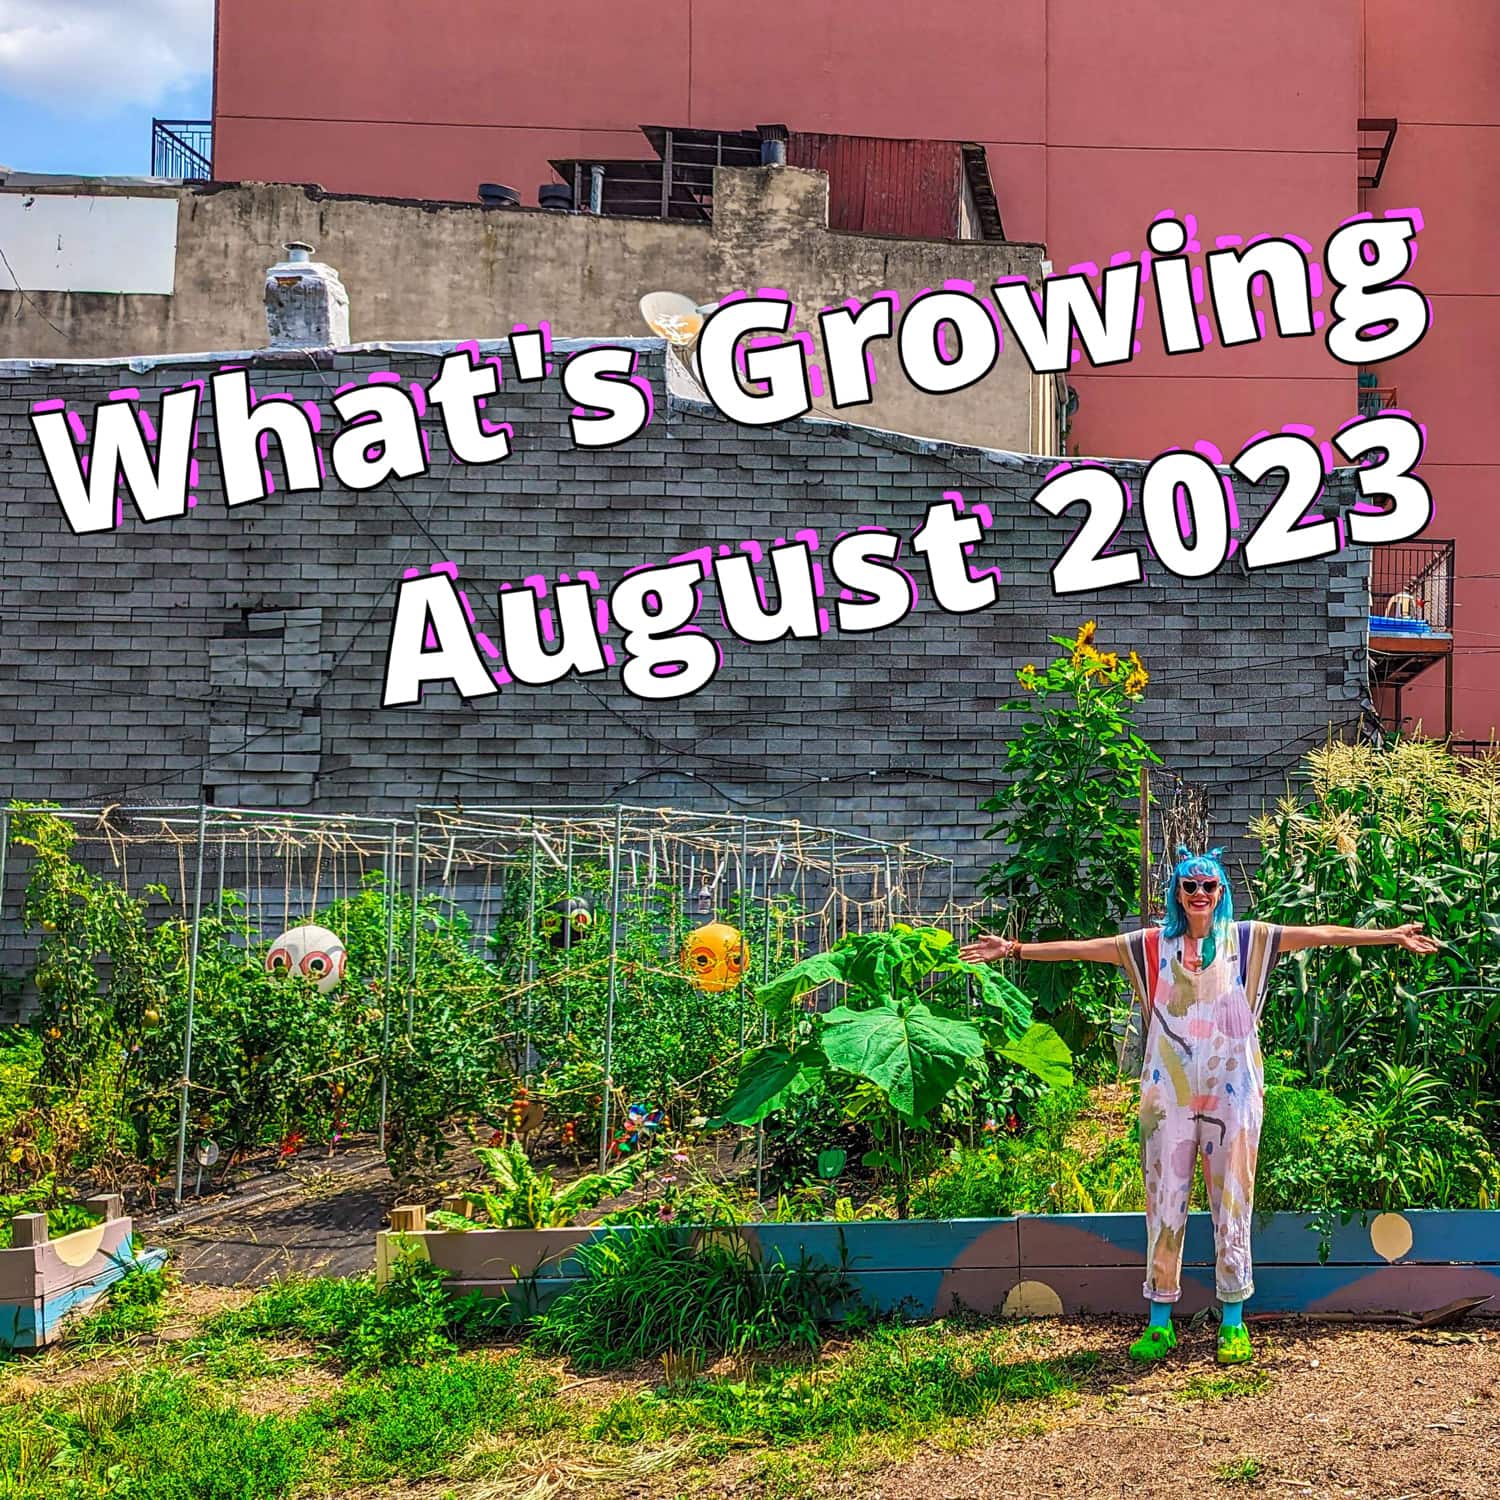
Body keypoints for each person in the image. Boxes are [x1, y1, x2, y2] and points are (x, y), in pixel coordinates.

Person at [960, 845, 1438, 1366]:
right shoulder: (1149, 947)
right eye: (1190, 886)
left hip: (1233, 1092)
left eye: (1210, 886)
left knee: (1233, 1200)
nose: (1200, 895)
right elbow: (1082, 948)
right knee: (1164, 1203)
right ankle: (1160, 1321)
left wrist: (1390, 936)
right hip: (1167, 1097)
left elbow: (1320, 935)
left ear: (1222, 892)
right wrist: (1012, 949)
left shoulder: (1249, 941)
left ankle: (1232, 1320)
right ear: (1177, 893)